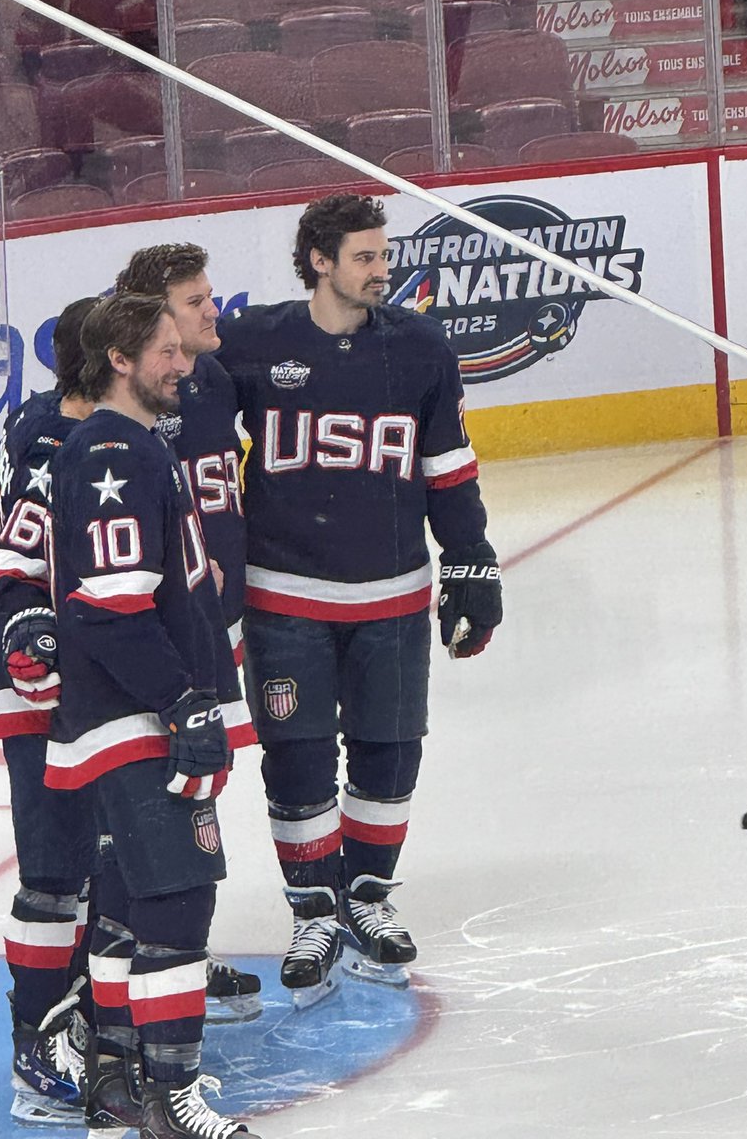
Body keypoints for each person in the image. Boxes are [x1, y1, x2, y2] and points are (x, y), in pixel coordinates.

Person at [216, 193, 503, 1003]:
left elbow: (448, 464)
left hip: (394, 595)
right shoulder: (252, 342)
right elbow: (187, 423)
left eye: (384, 255)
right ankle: (314, 908)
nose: (383, 271)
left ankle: (368, 896)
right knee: (298, 756)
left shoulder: (419, 346)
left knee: (390, 749)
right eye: (366, 257)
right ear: (320, 262)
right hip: (284, 597)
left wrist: (471, 559)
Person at [46, 292, 259, 1139]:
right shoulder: (115, 451)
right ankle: (172, 1097)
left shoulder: (131, 445)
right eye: (166, 351)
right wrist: (181, 701)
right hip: (136, 718)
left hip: (124, 715)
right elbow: (109, 606)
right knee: (176, 896)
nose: (185, 364)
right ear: (120, 361)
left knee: (130, 900)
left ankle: (116, 1079)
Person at [0, 298, 99, 1125]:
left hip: (78, 677)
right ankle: (38, 1045)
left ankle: (85, 1016)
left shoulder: (39, 417)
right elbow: (3, 549)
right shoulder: (64, 442)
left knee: (97, 861)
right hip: (40, 678)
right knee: (58, 869)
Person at [114, 243, 260, 1022]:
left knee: (198, 787)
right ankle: (143, 959)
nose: (213, 310)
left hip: (216, 625)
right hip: (160, 637)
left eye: (211, 296)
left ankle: (176, 950)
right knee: (151, 794)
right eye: (195, 302)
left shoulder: (215, 380)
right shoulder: (125, 408)